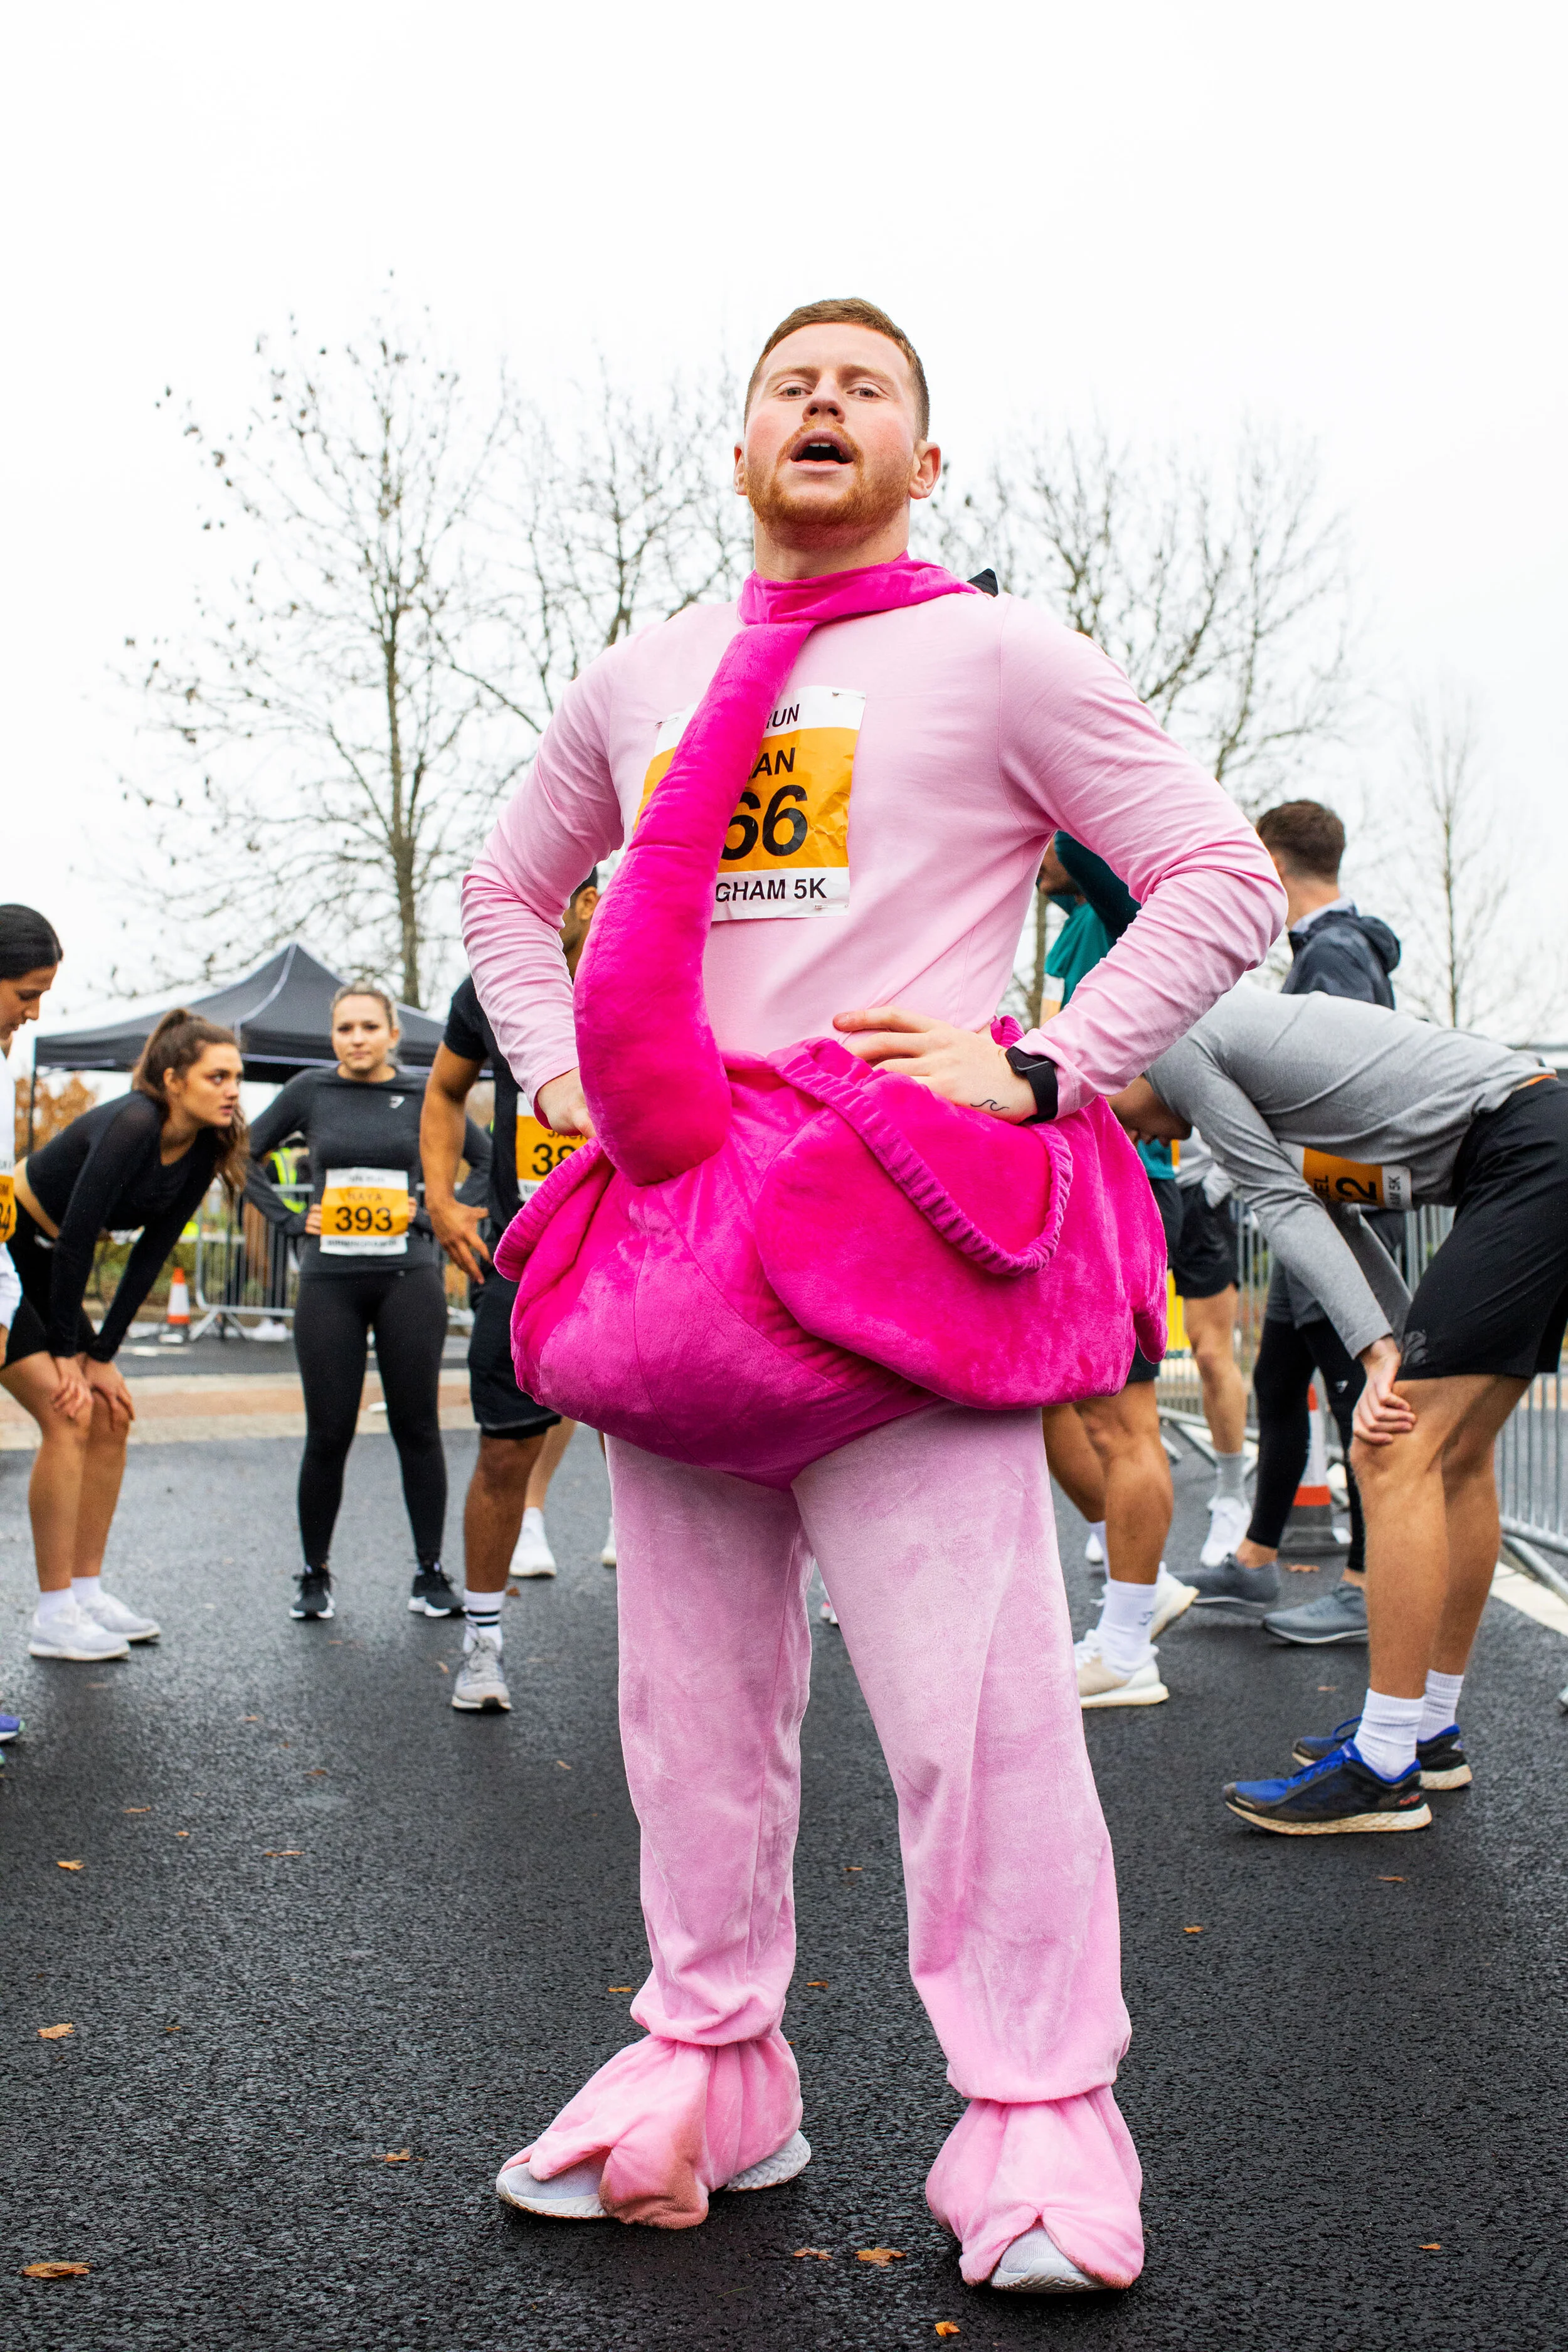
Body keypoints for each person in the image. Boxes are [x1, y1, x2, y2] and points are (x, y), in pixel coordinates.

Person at [462, 297, 1283, 2294]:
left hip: (892, 1245)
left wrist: (1046, 1058)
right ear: (737, 443)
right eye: (787, 380)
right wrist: (554, 1063)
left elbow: (1216, 874)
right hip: (673, 1263)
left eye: (868, 386)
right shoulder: (638, 674)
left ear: (925, 461)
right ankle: (710, 2059)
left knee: (976, 1714)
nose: (822, 401)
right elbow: (504, 889)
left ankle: (1031, 2114)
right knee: (684, 1711)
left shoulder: (996, 648)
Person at [1114, 982, 1562, 1833]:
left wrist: (1377, 1352)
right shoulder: (1240, 1080)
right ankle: (1426, 1733)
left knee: (1395, 1453)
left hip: (1526, 1154)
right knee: (1453, 1459)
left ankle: (1384, 1767)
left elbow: (1282, 1207)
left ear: (1126, 1050)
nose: (1124, 1129)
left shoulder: (1173, 1037)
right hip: (1537, 1144)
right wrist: (1391, 1340)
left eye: (1109, 1104)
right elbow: (1333, 1213)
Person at [1186, 799, 1402, 1644]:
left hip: (1331, 1214)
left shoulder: (1337, 953)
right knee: (1279, 1382)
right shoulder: (1333, 950)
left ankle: (1365, 1583)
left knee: (1356, 1400)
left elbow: (1340, 1076)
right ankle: (1256, 1557)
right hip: (1308, 1213)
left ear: (1273, 867)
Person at [7, 983, 246, 1661]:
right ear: (173, 1081)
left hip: (53, 1267)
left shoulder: (206, 1146)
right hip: (17, 1251)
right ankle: (53, 1615)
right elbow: (78, 1234)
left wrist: (102, 1353)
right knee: (69, 1411)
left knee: (111, 1409)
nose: (232, 1090)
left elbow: (151, 1254)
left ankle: (86, 1593)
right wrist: (64, 1352)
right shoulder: (136, 1122)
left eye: (237, 1077)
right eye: (216, 1076)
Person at [245, 985, 490, 1625]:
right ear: (334, 1036)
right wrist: (294, 1220)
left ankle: (430, 1572)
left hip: (407, 1278)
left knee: (417, 1429)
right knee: (328, 1433)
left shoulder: (424, 1091)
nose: (355, 1038)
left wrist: (441, 1213)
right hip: (330, 1283)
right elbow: (242, 1156)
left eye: (367, 1027)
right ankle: (314, 1573)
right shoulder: (310, 1091)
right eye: (345, 1028)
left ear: (391, 1035)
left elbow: (488, 1162)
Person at [421, 875, 599, 1714]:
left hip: (637, 1247)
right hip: (526, 1253)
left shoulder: (643, 962)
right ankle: (482, 1643)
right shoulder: (488, 987)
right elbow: (446, 1089)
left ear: (592, 901)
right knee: (505, 1448)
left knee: (674, 1452)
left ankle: (686, 1656)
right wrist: (440, 1195)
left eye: (555, 897)